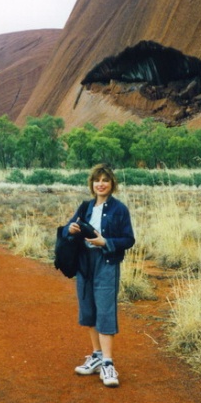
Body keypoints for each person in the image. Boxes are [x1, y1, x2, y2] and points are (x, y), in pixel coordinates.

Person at [64, 163, 135, 387]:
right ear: (92, 184)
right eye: (97, 180)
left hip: (106, 262)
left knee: (105, 310)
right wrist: (71, 230)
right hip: (85, 263)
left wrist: (106, 242)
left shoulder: (119, 209)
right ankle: (95, 356)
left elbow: (129, 239)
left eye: (105, 180)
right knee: (89, 309)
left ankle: (108, 363)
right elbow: (68, 228)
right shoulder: (85, 207)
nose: (101, 184)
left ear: (112, 184)